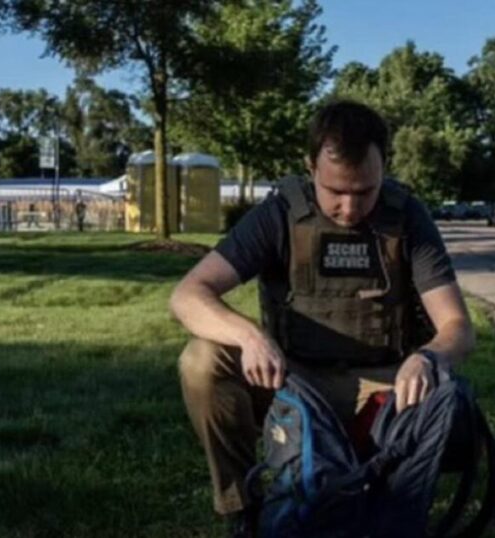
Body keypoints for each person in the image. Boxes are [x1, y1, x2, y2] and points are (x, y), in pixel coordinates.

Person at [169, 100, 475, 537]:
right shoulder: (280, 214)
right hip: (293, 379)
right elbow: (187, 295)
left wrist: (428, 357)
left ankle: (390, 504)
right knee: (201, 361)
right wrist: (249, 335)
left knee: (454, 406)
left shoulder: (406, 214)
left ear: (384, 167)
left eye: (364, 191)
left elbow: (458, 328)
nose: (349, 209)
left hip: (384, 382)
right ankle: (244, 509)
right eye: (336, 192)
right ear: (310, 166)